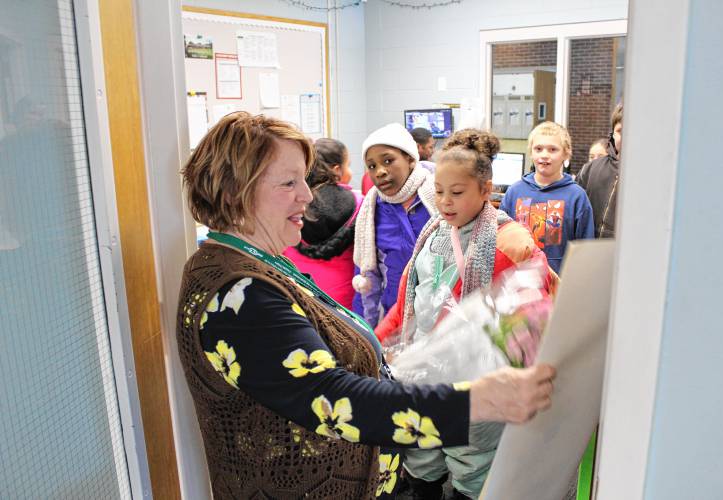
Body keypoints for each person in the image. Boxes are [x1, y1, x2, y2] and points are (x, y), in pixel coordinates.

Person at [176, 112, 556, 499]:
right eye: (289, 182)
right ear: (231, 194)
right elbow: (335, 399)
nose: (308, 196)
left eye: (303, 180)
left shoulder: (258, 264)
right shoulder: (238, 293)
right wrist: (475, 401)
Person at [375, 129, 558, 499]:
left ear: (485, 190)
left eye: (457, 193)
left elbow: (540, 308)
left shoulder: (511, 240)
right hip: (424, 370)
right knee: (420, 451)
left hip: (479, 378)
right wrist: (378, 342)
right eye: (438, 191)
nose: (445, 202)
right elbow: (409, 301)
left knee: (471, 461)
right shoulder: (432, 234)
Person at [352, 123, 438, 328]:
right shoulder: (372, 208)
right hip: (394, 314)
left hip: (438, 314)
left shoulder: (438, 197)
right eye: (372, 166)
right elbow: (366, 275)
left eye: (388, 161)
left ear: (410, 158)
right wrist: (365, 330)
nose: (380, 172)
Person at [501, 122, 594, 274]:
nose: (544, 155)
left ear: (566, 154)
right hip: (519, 282)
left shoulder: (577, 196)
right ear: (531, 153)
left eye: (553, 149)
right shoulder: (514, 192)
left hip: (560, 283)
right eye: (538, 149)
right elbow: (502, 240)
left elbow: (585, 249)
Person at [283, 138, 361, 309]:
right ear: (337, 170)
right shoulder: (360, 203)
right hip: (346, 298)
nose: (351, 171)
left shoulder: (292, 202)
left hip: (301, 294)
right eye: (348, 165)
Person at [577, 103, 623, 238]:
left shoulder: (650, 175)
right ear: (613, 134)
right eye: (620, 131)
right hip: (592, 249)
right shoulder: (590, 169)